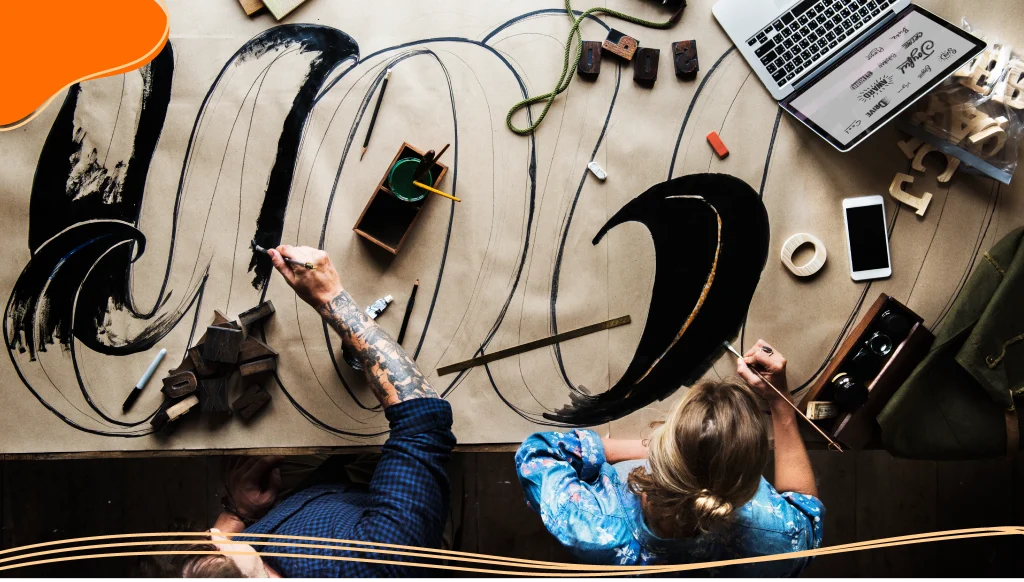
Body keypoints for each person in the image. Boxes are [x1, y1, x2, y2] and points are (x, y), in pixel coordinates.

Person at [142, 245, 455, 579]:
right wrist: (331, 298)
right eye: (216, 548)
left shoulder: (243, 560)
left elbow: (215, 553)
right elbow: (423, 423)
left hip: (321, 494)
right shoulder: (374, 564)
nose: (215, 535)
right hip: (387, 506)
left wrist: (237, 513)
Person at [515, 340, 824, 578]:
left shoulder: (592, 527)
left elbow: (537, 452)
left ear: (665, 451)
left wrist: (635, 448)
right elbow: (807, 510)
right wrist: (781, 403)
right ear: (748, 480)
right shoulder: (780, 541)